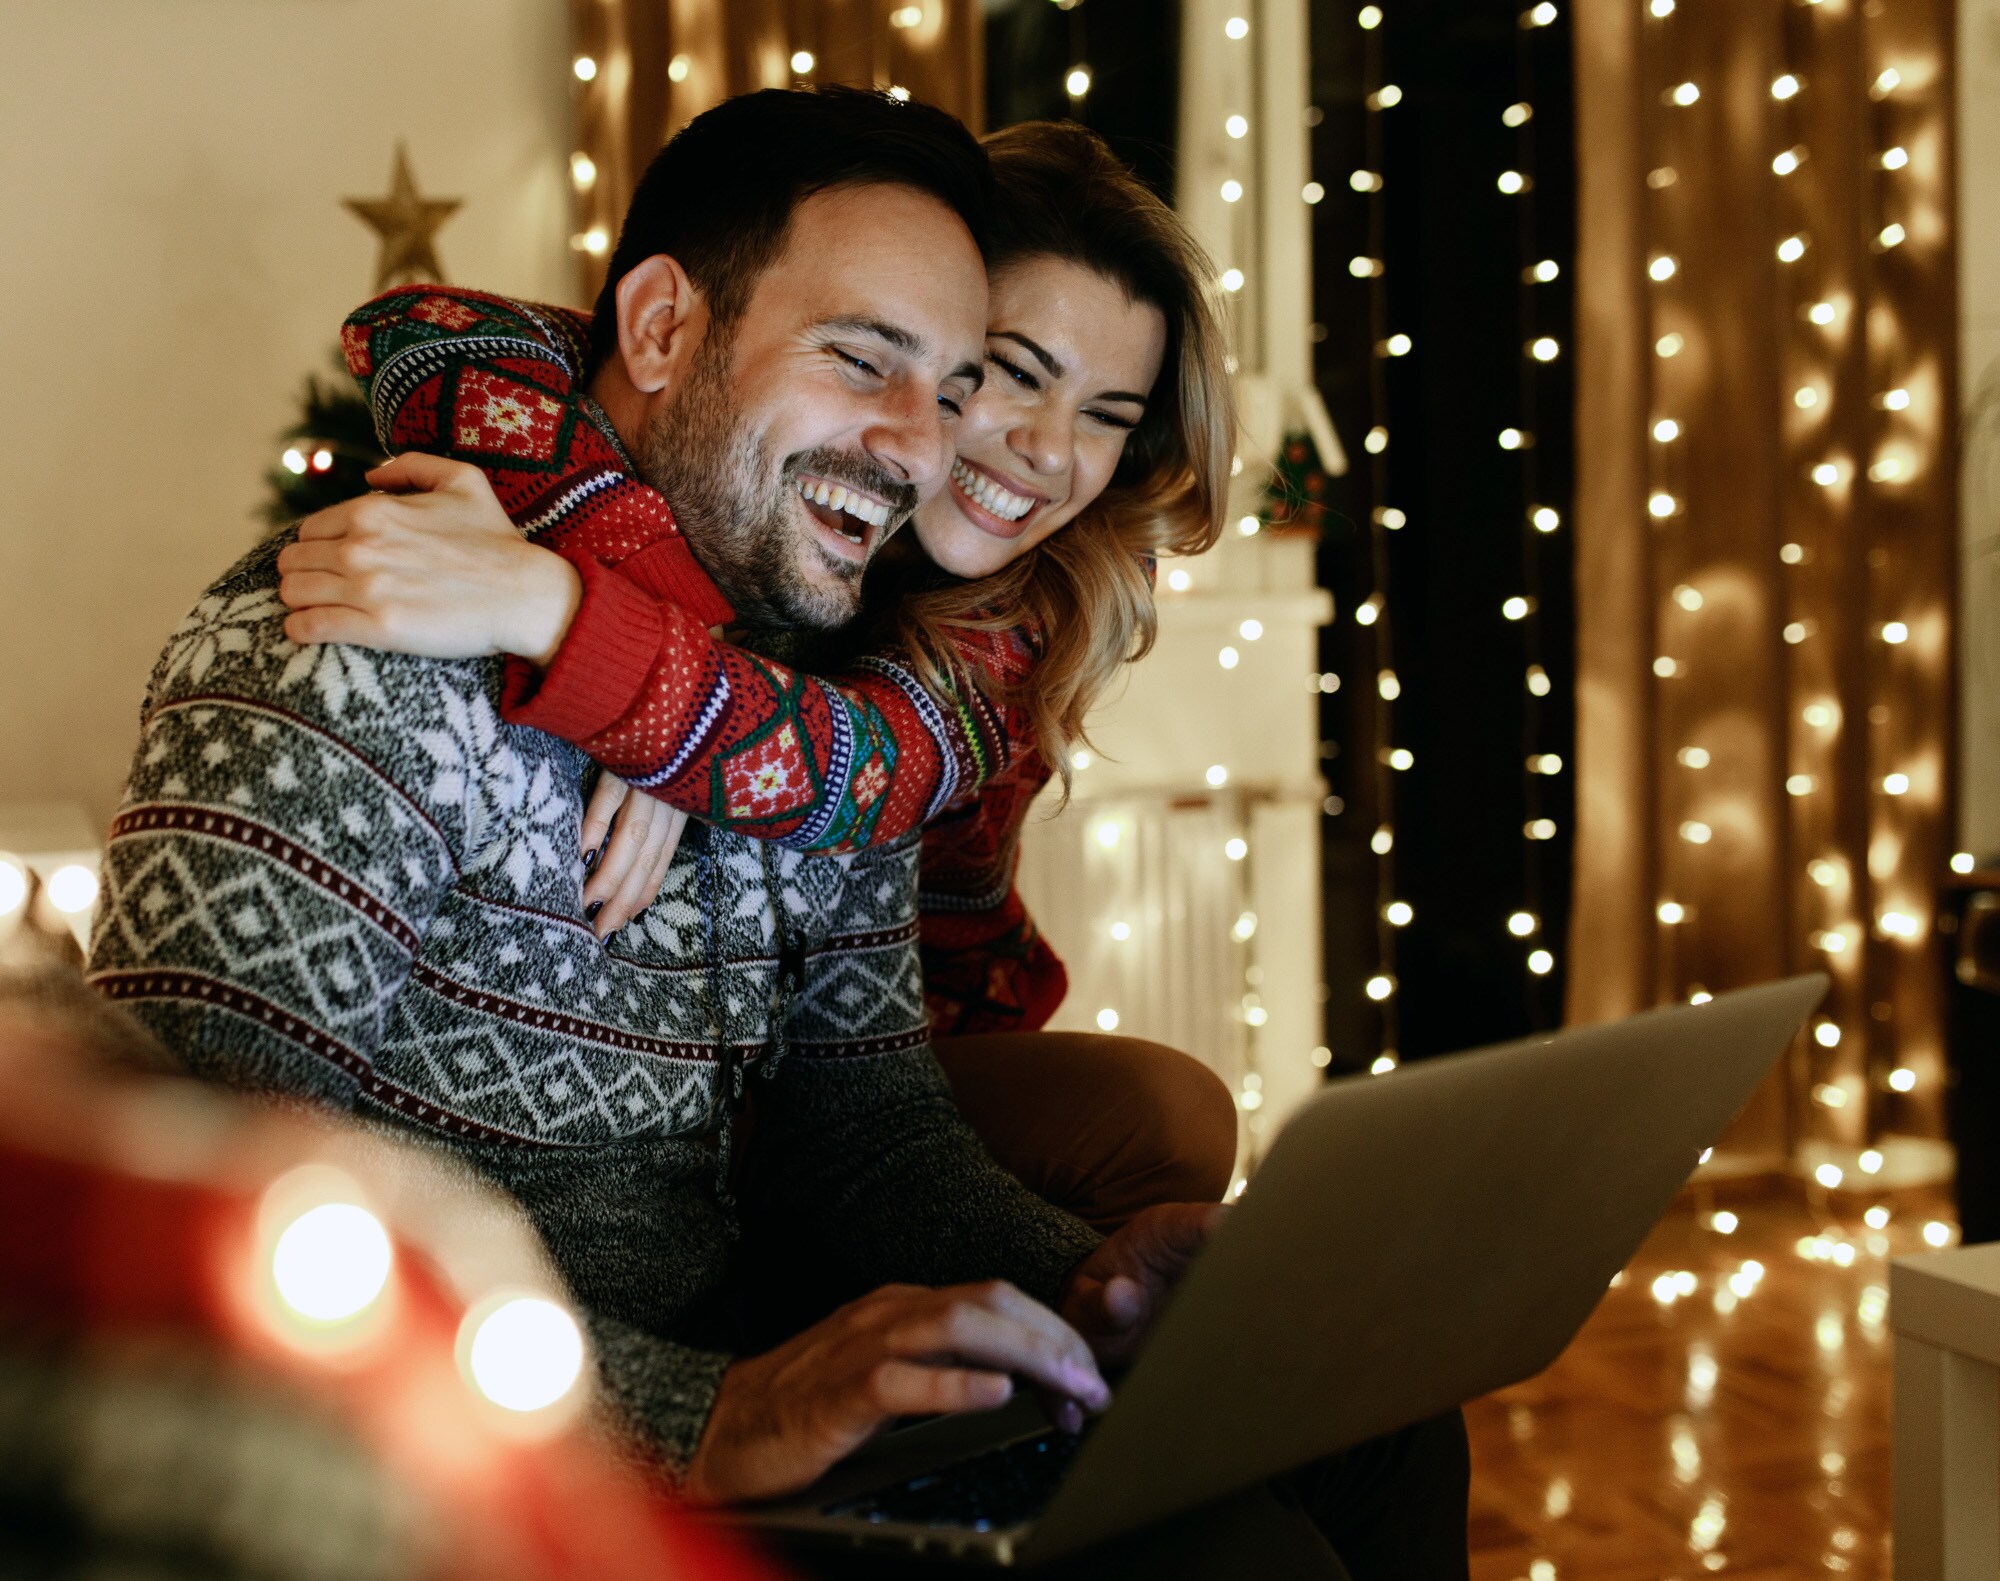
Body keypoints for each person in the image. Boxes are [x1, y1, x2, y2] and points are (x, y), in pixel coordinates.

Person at [88, 88, 1467, 1575]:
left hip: (736, 1359)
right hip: (490, 1464)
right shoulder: (355, 635)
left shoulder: (806, 685)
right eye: (862, 359)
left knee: (1372, 1418)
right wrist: (705, 1417)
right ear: (661, 328)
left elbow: (863, 1132)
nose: (921, 448)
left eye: (950, 386)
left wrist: (1089, 1293)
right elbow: (184, 1233)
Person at [279, 120, 1240, 1234]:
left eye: (1107, 419)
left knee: (1171, 1120)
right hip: (677, 1060)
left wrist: (576, 624)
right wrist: (659, 600)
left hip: (904, 1052)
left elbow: (851, 774)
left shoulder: (1034, 608)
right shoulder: (751, 462)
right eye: (1014, 375)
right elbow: (421, 331)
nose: (1052, 451)